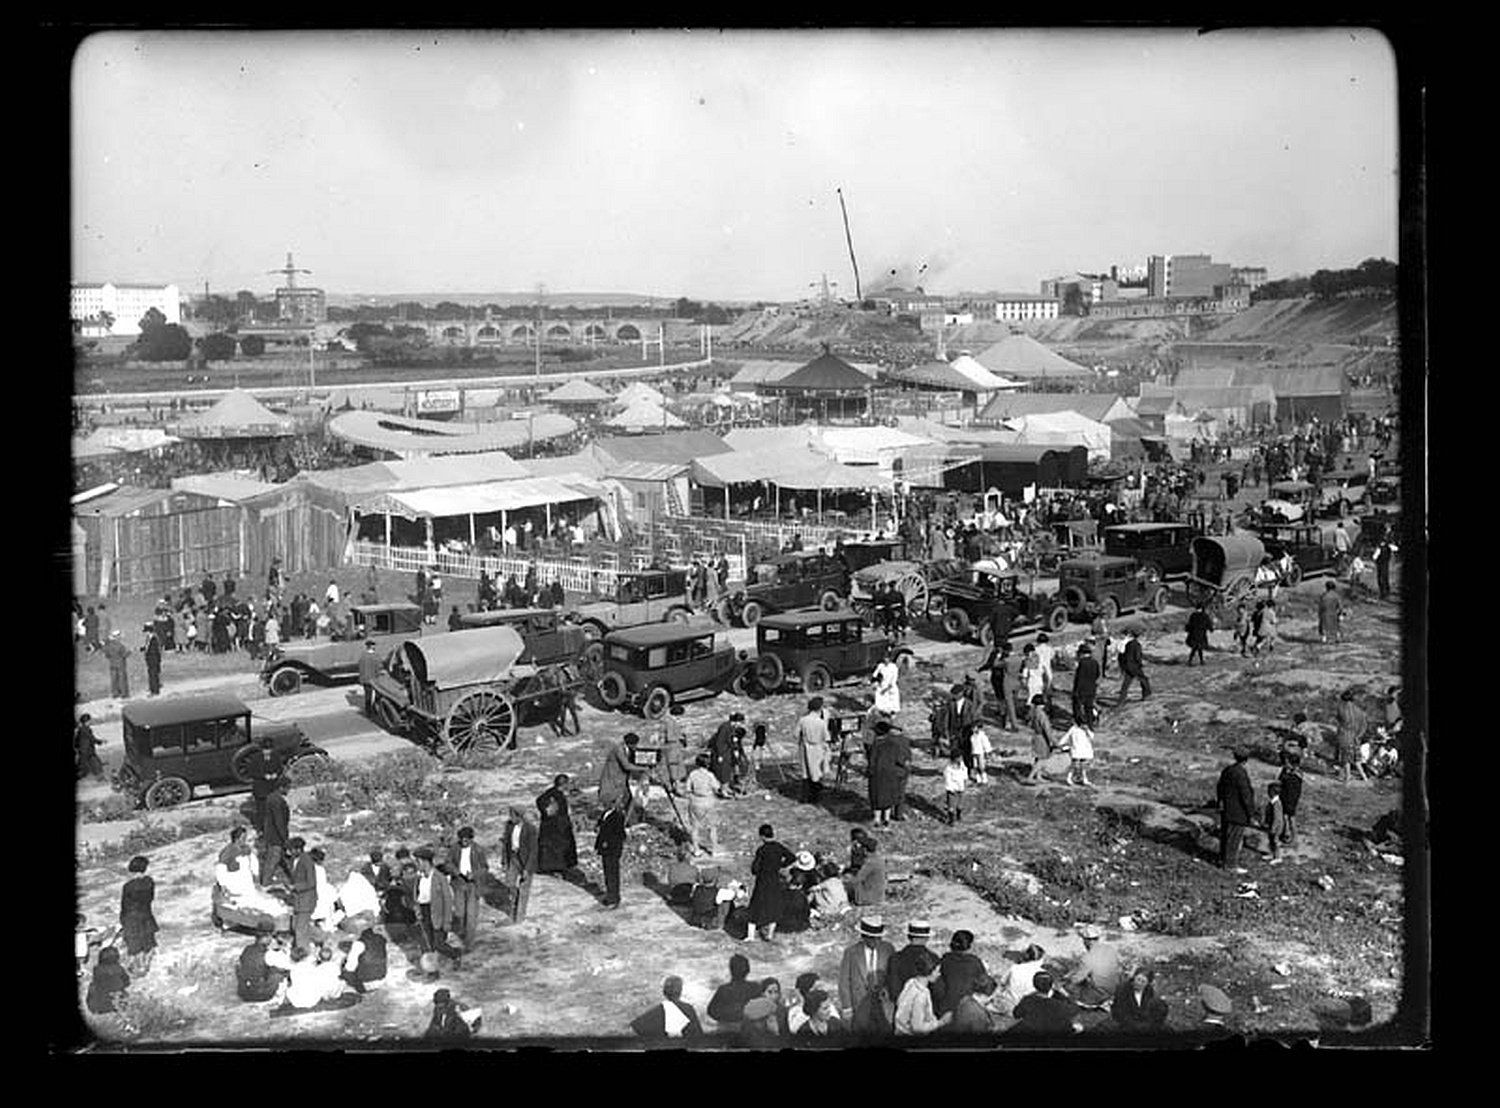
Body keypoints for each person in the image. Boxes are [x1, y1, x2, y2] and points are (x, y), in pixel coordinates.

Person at [838, 915, 895, 1033]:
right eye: (872, 938)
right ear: (864, 937)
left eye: (879, 938)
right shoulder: (851, 952)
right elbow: (844, 981)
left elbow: (892, 974)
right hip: (859, 1003)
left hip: (882, 1003)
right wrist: (847, 1006)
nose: (876, 941)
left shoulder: (888, 949)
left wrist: (887, 989)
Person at [413, 847, 461, 970]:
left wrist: (447, 921)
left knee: (439, 944)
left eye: (418, 861)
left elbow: (448, 901)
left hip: (438, 914)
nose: (416, 864)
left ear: (425, 861)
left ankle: (455, 954)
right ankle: (434, 969)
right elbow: (417, 896)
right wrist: (418, 910)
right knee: (429, 944)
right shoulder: (419, 878)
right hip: (425, 913)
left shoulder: (440, 878)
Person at [449, 826, 489, 951]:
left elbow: (485, 868)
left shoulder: (478, 850)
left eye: (466, 840)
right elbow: (448, 863)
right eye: (462, 839)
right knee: (460, 913)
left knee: (471, 914)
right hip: (459, 883)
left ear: (471, 839)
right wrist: (456, 872)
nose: (464, 842)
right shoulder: (455, 848)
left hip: (473, 884)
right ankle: (461, 934)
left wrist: (474, 874)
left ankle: (469, 943)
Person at [1217, 747, 1256, 873]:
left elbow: (1220, 787)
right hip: (1238, 811)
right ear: (1246, 760)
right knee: (1234, 839)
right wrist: (1251, 813)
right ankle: (1230, 865)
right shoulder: (1241, 774)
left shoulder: (1227, 770)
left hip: (1226, 808)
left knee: (1226, 836)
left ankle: (1223, 859)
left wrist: (1221, 802)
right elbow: (1246, 796)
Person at [895, 949, 952, 1036]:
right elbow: (917, 1028)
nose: (939, 974)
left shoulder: (911, 982)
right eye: (937, 971)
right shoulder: (921, 995)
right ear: (930, 971)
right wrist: (941, 1022)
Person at [1010, 971, 1084, 1036]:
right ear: (1051, 986)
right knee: (1078, 1027)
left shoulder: (1027, 1000)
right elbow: (1075, 1009)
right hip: (1054, 1034)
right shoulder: (1059, 1004)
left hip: (1032, 1033)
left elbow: (1016, 1014)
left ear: (1034, 985)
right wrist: (1063, 994)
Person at [119, 855, 159, 975]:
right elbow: (151, 898)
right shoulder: (149, 882)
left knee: (135, 945)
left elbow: (124, 905)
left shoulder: (128, 886)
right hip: (146, 913)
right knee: (147, 941)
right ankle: (146, 965)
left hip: (131, 916)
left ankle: (138, 968)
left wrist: (122, 919)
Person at [631, 976, 702, 1040]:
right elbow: (698, 1035)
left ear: (664, 992)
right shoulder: (688, 1009)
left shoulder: (656, 1011)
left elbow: (636, 1027)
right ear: (680, 991)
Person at [1068, 924, 1121, 1008]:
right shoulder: (1110, 949)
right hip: (1114, 990)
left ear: (1086, 941)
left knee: (1069, 989)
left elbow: (1077, 979)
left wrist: (1067, 979)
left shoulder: (1087, 957)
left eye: (1083, 940)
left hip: (1098, 994)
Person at [598, 732, 647, 824]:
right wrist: (644, 768)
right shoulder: (619, 750)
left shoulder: (626, 749)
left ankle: (628, 822)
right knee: (612, 805)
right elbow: (627, 766)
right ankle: (604, 824)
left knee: (627, 800)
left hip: (621, 781)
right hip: (612, 780)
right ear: (630, 744)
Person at [535, 775, 579, 875]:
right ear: (564, 784)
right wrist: (547, 811)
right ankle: (555, 869)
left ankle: (559, 868)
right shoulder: (553, 795)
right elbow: (541, 802)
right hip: (556, 829)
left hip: (558, 828)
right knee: (557, 851)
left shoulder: (555, 793)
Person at [867, 720, 908, 827]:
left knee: (876, 796)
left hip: (877, 774)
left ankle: (876, 819)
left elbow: (872, 760)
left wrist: (869, 771)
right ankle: (886, 818)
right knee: (888, 796)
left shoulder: (875, 745)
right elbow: (899, 759)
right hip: (891, 773)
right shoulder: (894, 744)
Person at [237, 927, 289, 1003]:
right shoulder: (268, 955)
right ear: (267, 938)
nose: (272, 940)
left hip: (245, 992)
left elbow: (241, 962)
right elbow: (284, 968)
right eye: (271, 937)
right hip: (262, 995)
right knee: (280, 974)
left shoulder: (247, 948)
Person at [708, 953, 760, 1027]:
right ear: (748, 970)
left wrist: (727, 1018)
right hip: (749, 1030)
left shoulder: (723, 990)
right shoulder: (755, 987)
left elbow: (711, 1011)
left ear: (731, 970)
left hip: (726, 1030)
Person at [887, 919, 935, 1001]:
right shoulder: (933, 958)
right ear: (927, 938)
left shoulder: (895, 958)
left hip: (901, 1008)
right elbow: (937, 990)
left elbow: (893, 991)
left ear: (908, 937)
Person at [684, 754, 722, 857]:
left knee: (694, 828)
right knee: (712, 827)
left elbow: (687, 789)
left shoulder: (692, 774)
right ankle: (714, 849)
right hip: (708, 801)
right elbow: (717, 787)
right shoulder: (710, 775)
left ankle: (696, 849)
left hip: (695, 801)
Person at [1111, 966, 1169, 1033]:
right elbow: (1120, 1012)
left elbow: (1148, 1009)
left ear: (1147, 983)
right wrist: (1136, 1025)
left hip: (1142, 1020)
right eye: (1138, 979)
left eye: (1143, 982)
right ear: (1134, 977)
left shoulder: (1149, 991)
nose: (1139, 983)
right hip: (1125, 1021)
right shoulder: (1123, 989)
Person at [795, 698, 831, 804]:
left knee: (806, 772)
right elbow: (826, 737)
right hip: (817, 748)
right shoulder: (821, 723)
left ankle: (805, 797)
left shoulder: (803, 720)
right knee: (816, 772)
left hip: (805, 747)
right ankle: (815, 797)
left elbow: (795, 734)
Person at [595, 794, 628, 909]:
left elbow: (619, 834)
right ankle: (610, 895)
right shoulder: (605, 814)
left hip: (612, 849)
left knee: (612, 873)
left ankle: (614, 898)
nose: (604, 805)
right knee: (607, 873)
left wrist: (609, 842)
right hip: (605, 848)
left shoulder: (618, 816)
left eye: (607, 802)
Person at [259, 782, 293, 887]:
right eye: (287, 788)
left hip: (271, 832)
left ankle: (292, 877)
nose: (288, 791)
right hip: (276, 835)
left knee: (278, 857)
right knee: (273, 858)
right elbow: (279, 822)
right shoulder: (277, 801)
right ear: (281, 787)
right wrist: (285, 838)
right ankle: (266, 882)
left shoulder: (271, 798)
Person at [289, 838, 319, 952]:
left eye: (291, 850)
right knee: (300, 927)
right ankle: (304, 948)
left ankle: (302, 952)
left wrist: (296, 887)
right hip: (300, 899)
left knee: (300, 929)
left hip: (306, 900)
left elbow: (311, 882)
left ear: (298, 849)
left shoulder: (306, 861)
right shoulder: (296, 860)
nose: (289, 852)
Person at [1336, 689, 1370, 784]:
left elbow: (1339, 719)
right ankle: (1364, 777)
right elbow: (1364, 725)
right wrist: (1359, 736)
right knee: (1356, 759)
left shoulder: (1341, 709)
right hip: (1356, 738)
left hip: (1345, 737)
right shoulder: (1359, 711)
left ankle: (1347, 777)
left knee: (1346, 759)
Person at [341, 926, 388, 994]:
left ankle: (360, 989)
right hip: (381, 977)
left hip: (365, 982)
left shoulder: (358, 944)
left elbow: (349, 968)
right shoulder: (381, 939)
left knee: (345, 965)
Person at [86, 946, 131, 1015]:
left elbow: (96, 983)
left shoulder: (97, 969)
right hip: (116, 1001)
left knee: (92, 986)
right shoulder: (119, 968)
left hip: (100, 1003)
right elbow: (127, 982)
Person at [1278, 750, 1304, 849]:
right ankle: (1287, 834)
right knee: (1286, 818)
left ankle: (1294, 838)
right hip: (1286, 798)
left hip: (1290, 800)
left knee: (1290, 818)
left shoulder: (1294, 777)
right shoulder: (1291, 773)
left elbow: (1291, 790)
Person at [1117, 627, 1151, 703]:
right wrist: (1141, 664)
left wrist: (1123, 666)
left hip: (1128, 666)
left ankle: (1121, 699)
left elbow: (1123, 655)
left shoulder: (1128, 644)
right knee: (1144, 679)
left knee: (1126, 683)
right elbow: (1137, 657)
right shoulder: (1137, 645)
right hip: (1134, 666)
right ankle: (1146, 695)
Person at [1026, 696, 1055, 785]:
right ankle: (1030, 777)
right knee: (1042, 759)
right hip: (1042, 738)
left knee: (1038, 757)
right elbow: (1046, 728)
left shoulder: (1032, 713)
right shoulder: (1042, 714)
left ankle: (1038, 776)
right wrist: (1052, 740)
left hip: (1035, 736)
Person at [1061, 718, 1096, 788]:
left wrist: (1086, 730)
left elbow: (1092, 737)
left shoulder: (1087, 730)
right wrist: (1061, 745)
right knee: (1074, 765)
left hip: (1085, 750)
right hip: (1076, 750)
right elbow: (1066, 737)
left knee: (1084, 766)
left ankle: (1084, 779)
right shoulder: (1073, 729)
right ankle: (1069, 778)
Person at [1071, 643, 1100, 725]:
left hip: (1081, 690)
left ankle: (1079, 723)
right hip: (1092, 688)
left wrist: (1076, 691)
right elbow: (1097, 674)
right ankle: (1090, 725)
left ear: (1082, 654)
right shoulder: (1095, 662)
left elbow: (1079, 678)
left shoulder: (1082, 663)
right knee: (1089, 708)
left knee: (1077, 707)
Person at [1262, 782, 1287, 864]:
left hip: (1277, 826)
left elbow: (1277, 818)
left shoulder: (1277, 804)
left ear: (1272, 792)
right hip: (1271, 825)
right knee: (1271, 840)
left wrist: (1273, 828)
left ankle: (1278, 857)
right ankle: (1271, 854)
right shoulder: (1272, 802)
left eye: (1268, 791)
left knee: (1275, 841)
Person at [872, 648, 902, 715]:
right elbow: (874, 675)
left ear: (890, 659)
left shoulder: (893, 667)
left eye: (887, 658)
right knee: (880, 700)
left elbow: (893, 681)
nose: (886, 660)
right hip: (882, 685)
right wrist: (875, 682)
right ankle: (881, 712)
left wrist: (885, 689)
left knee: (891, 702)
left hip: (890, 687)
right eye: (884, 658)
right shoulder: (881, 666)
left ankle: (891, 713)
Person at [357, 641, 382, 718]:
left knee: (368, 696)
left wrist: (361, 680)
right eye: (374, 646)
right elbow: (378, 668)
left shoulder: (362, 656)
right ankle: (375, 708)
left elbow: (360, 669)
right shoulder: (376, 656)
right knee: (378, 695)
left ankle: (368, 712)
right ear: (372, 647)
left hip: (366, 679)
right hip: (375, 679)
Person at [75, 714, 103, 780]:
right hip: (86, 751)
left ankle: (99, 777)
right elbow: (91, 738)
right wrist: (99, 741)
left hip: (85, 751)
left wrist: (77, 749)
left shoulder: (81, 729)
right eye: (89, 720)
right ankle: (100, 778)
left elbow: (76, 741)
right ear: (86, 721)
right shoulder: (85, 729)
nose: (90, 721)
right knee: (90, 766)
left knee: (91, 765)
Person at [103, 630, 130, 698]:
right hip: (120, 664)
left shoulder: (108, 646)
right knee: (122, 679)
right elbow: (124, 654)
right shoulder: (120, 645)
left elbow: (107, 655)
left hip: (112, 664)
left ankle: (115, 693)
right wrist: (129, 652)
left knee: (114, 679)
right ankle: (124, 694)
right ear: (117, 637)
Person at [943, 749, 967, 824]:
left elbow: (964, 773)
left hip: (960, 787)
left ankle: (958, 815)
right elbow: (947, 779)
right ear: (955, 758)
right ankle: (951, 819)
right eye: (959, 757)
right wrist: (950, 789)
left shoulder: (962, 765)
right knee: (951, 805)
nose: (961, 759)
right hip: (952, 789)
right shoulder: (948, 768)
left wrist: (965, 781)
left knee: (960, 804)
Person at [1318, 580, 1344, 645]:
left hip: (1325, 613)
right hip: (1333, 613)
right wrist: (1341, 613)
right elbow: (1340, 606)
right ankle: (1337, 638)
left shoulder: (1324, 596)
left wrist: (1319, 614)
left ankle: (1324, 639)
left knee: (1324, 627)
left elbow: (1321, 606)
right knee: (1336, 626)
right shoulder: (1336, 596)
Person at [142, 624, 163, 696]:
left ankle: (154, 690)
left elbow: (155, 651)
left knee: (153, 675)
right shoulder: (149, 638)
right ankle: (152, 688)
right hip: (150, 659)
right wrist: (143, 649)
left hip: (153, 659)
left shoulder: (154, 639)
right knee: (151, 674)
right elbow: (147, 647)